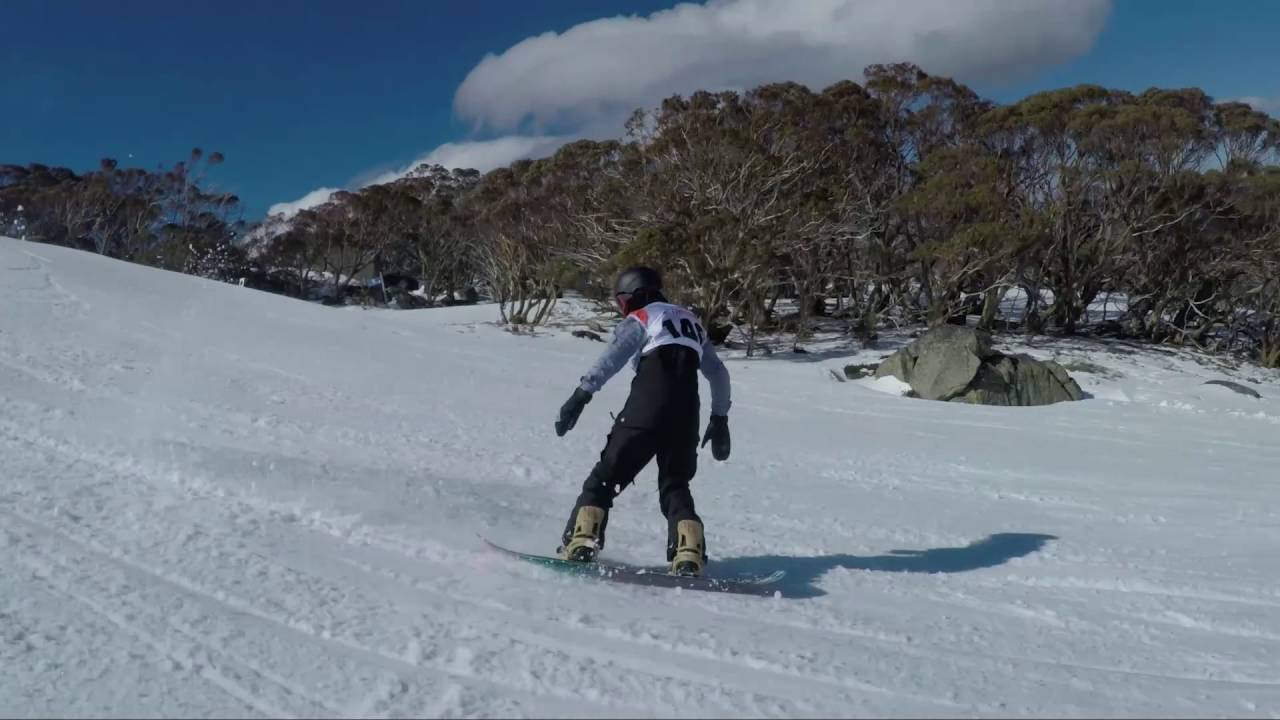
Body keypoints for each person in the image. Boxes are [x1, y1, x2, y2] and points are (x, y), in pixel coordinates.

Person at [553, 266, 731, 577]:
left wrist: (582, 394)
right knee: (676, 485)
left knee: (604, 479)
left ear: (630, 296)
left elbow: (612, 358)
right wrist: (720, 418)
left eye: (620, 301)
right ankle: (688, 552)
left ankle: (581, 540)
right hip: (687, 414)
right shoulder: (691, 322)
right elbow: (718, 373)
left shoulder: (644, 317)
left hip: (646, 407)